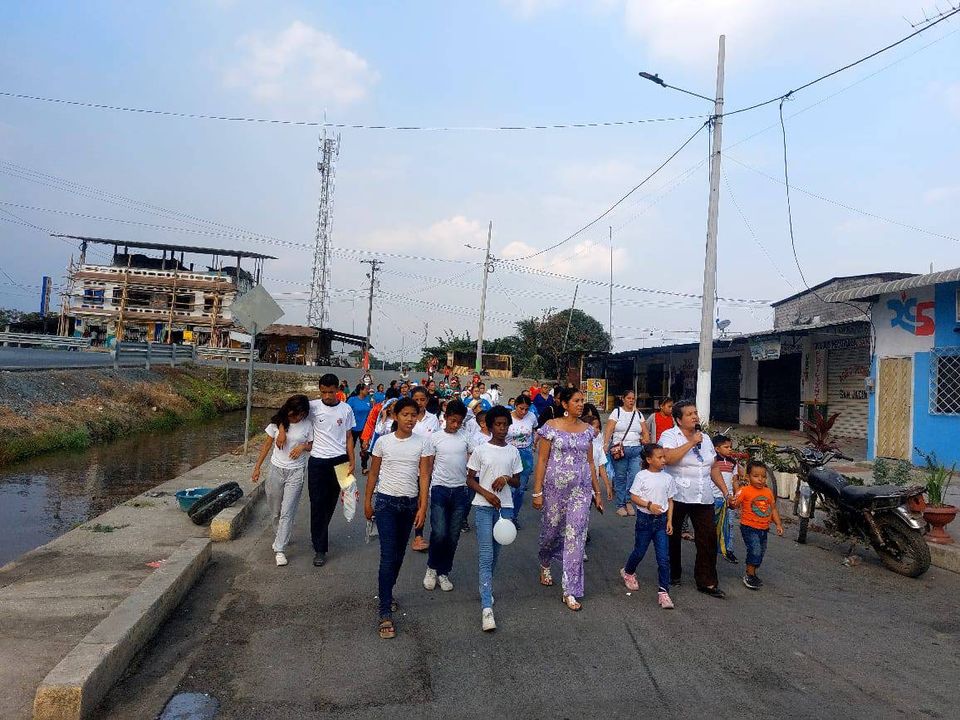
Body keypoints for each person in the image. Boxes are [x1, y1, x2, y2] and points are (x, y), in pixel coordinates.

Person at [363, 398, 434, 639]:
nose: (410, 419)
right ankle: (384, 611)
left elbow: (424, 476)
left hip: (409, 504)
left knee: (399, 554)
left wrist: (423, 507)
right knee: (388, 554)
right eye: (405, 414)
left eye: (414, 415)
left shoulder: (423, 443)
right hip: (385, 503)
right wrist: (367, 501)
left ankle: (387, 592)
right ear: (395, 416)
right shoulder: (383, 442)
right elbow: (373, 473)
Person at [532, 387, 602, 612]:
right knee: (550, 532)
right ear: (564, 404)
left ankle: (570, 590)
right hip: (554, 491)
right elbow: (542, 460)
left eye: (582, 401)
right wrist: (537, 492)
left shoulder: (588, 431)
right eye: (576, 401)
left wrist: (597, 492)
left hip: (580, 492)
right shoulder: (551, 427)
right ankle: (545, 562)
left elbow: (590, 462)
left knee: (576, 537)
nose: (581, 404)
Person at [277, 374, 355, 568]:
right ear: (319, 390)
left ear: (338, 390)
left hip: (340, 461)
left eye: (331, 392)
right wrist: (281, 431)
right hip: (318, 462)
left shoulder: (346, 409)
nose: (327, 396)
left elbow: (349, 437)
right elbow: (284, 413)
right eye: (323, 392)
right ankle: (320, 549)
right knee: (317, 503)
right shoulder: (312, 407)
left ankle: (318, 533)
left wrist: (352, 460)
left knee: (331, 503)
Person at [466, 406, 522, 631]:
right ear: (489, 427)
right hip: (483, 506)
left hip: (505, 508)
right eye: (498, 424)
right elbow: (470, 479)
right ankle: (487, 608)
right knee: (486, 554)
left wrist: (506, 478)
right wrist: (486, 494)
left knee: (495, 554)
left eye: (505, 424)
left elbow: (518, 481)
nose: (502, 428)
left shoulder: (513, 452)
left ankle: (485, 588)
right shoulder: (481, 450)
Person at [660, 400, 723, 598]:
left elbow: (713, 466)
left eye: (695, 412)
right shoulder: (669, 436)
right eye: (689, 414)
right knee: (672, 535)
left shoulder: (705, 438)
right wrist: (691, 443)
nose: (695, 416)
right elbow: (668, 459)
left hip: (703, 495)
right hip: (676, 495)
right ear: (679, 420)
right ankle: (673, 573)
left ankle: (707, 581)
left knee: (708, 538)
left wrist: (725, 491)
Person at [252, 394, 312, 567]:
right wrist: (257, 467)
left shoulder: (308, 424)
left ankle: (280, 549)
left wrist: (302, 447)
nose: (295, 418)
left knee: (287, 511)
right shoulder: (277, 423)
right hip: (276, 469)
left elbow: (312, 444)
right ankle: (281, 534)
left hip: (296, 472)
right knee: (275, 510)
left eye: (299, 415)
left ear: (304, 413)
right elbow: (266, 445)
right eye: (292, 414)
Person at [423, 400, 476, 592]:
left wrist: (471, 476)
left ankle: (444, 571)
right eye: (452, 421)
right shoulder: (435, 438)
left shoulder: (466, 437)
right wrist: (424, 494)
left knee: (453, 535)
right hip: (439, 489)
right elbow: (428, 467)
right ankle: (431, 568)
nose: (455, 425)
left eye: (459, 422)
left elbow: (476, 458)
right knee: (439, 532)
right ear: (445, 417)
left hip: (460, 491)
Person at [620, 443, 677, 609]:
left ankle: (663, 592)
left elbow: (670, 501)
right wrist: (649, 505)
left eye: (664, 457)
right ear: (649, 459)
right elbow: (634, 496)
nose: (663, 460)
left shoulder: (668, 478)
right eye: (659, 457)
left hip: (661, 522)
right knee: (639, 551)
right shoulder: (642, 476)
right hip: (645, 521)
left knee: (663, 558)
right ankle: (628, 571)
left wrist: (669, 521)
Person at [729, 460, 784, 590]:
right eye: (756, 476)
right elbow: (734, 505)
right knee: (755, 550)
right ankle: (750, 575)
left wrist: (778, 524)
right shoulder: (745, 491)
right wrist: (731, 502)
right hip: (749, 527)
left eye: (763, 476)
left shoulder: (768, 492)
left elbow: (773, 509)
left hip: (764, 528)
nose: (760, 479)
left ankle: (752, 571)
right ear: (748, 477)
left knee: (761, 551)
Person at [603, 390, 649, 517]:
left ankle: (628, 501)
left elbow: (645, 430)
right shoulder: (617, 412)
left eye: (633, 398)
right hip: (620, 450)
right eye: (628, 398)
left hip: (636, 449)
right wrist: (605, 444)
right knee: (621, 477)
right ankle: (620, 505)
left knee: (634, 476)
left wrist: (646, 439)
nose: (631, 400)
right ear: (623, 399)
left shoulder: (638, 414)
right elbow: (609, 429)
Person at [410, 386, 442, 552]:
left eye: (422, 399)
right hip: (408, 467)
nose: (419, 403)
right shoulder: (408, 418)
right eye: (416, 399)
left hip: (426, 469)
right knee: (408, 500)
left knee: (421, 501)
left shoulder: (433, 420)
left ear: (427, 401)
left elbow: (436, 443)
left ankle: (418, 535)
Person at [506, 394, 538, 527]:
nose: (524, 412)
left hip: (525, 454)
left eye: (526, 409)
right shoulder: (507, 417)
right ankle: (504, 516)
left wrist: (535, 443)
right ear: (515, 406)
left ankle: (514, 517)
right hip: (508, 453)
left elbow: (535, 430)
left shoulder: (532, 416)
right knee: (509, 488)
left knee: (520, 488)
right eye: (521, 408)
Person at [710, 434, 742, 564]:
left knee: (729, 525)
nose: (729, 449)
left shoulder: (733, 463)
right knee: (712, 524)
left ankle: (728, 549)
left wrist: (737, 496)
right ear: (717, 448)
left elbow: (735, 481)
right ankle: (710, 547)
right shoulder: (712, 462)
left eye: (730, 447)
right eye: (726, 447)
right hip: (713, 497)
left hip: (728, 499)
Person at [347, 384, 373, 474]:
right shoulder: (352, 400)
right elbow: (346, 412)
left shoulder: (368, 399)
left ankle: (364, 467)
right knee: (350, 448)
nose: (368, 391)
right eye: (366, 389)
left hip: (364, 429)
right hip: (352, 428)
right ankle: (349, 466)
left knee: (365, 448)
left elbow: (371, 413)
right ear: (361, 390)